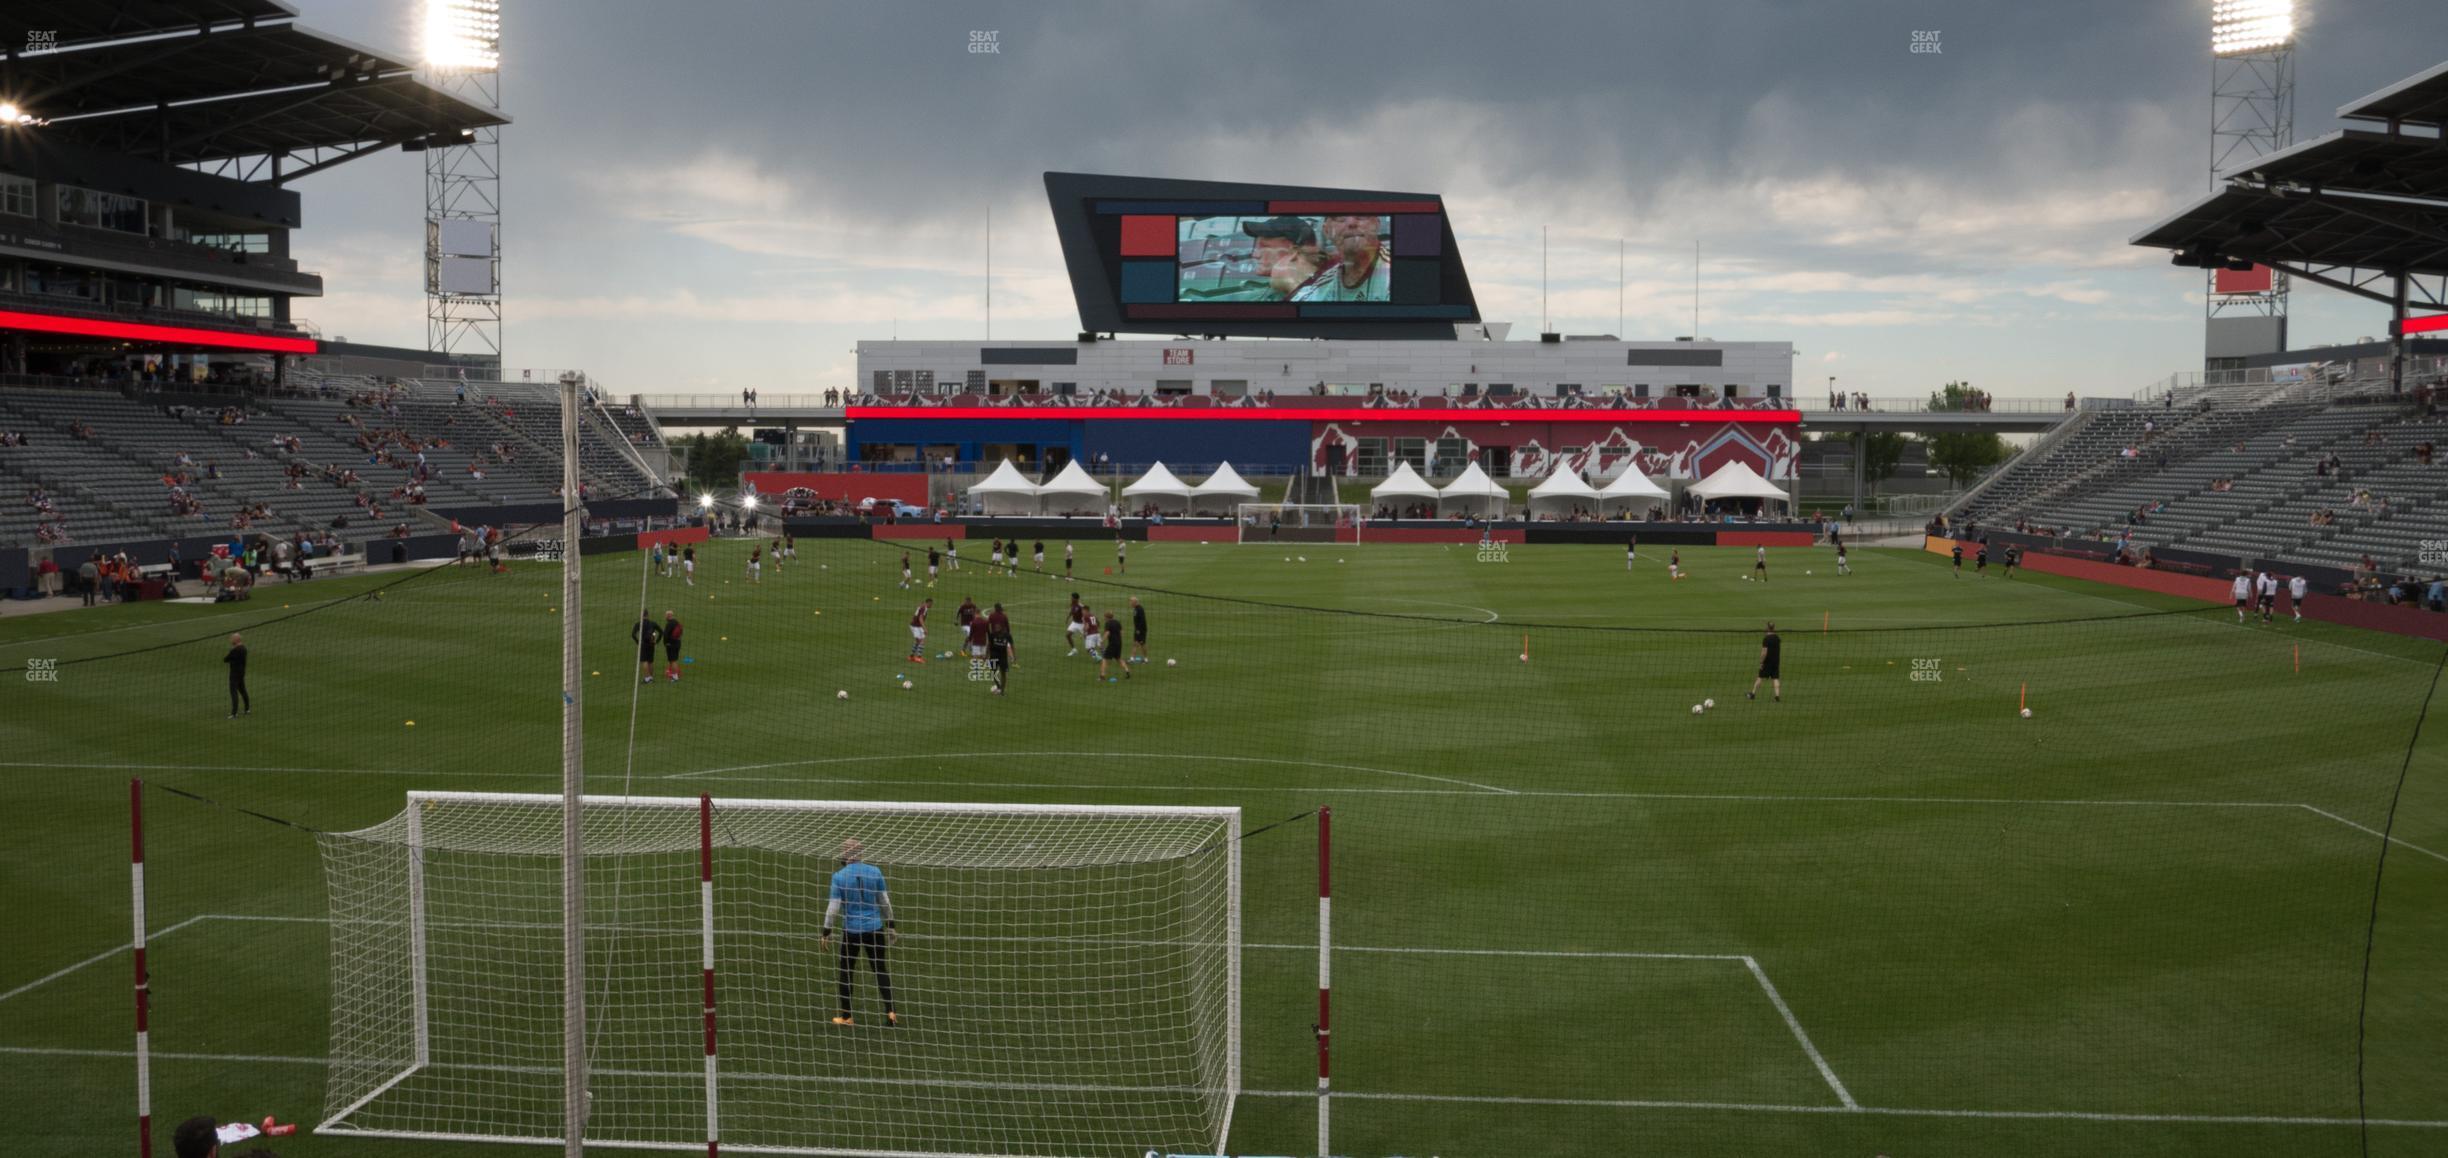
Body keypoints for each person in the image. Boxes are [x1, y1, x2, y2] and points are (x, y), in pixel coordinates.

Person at [821, 837, 898, 1027]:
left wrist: (826, 931)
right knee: (880, 968)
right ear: (861, 853)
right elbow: (884, 902)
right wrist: (891, 925)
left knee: (846, 971)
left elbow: (833, 908)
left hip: (851, 931)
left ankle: (846, 1016)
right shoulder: (875, 872)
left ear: (844, 854)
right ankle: (891, 1013)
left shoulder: (839, 876)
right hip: (875, 929)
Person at [1748, 621, 1782, 702]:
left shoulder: (1766, 639)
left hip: (1767, 661)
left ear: (1767, 628)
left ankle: (1752, 694)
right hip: (1776, 661)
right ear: (1774, 628)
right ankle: (1777, 696)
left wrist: (1761, 662)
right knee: (1775, 678)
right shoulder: (1777, 638)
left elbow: (1764, 652)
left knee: (1760, 677)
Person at [986, 601, 1015, 694]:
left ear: (995, 608)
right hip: (1003, 640)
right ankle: (1001, 690)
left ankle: (999, 686)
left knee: (993, 671)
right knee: (1003, 672)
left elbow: (988, 625)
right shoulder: (1004, 616)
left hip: (994, 643)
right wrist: (1007, 635)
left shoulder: (991, 616)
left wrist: (986, 654)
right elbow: (1008, 627)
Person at [224, 633, 250, 719]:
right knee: (243, 690)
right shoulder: (244, 648)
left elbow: (225, 659)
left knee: (233, 692)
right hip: (241, 672)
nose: (230, 640)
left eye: (232, 639)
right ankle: (247, 709)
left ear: (236, 640)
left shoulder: (235, 650)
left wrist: (231, 657)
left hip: (234, 673)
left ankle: (234, 713)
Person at [1099, 608, 1129, 681]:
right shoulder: (1117, 622)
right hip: (1119, 643)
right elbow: (1122, 632)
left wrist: (1102, 641)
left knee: (1105, 659)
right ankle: (1127, 671)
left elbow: (1107, 633)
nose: (1104, 618)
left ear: (1106, 617)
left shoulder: (1108, 623)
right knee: (1118, 658)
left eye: (1104, 617)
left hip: (1112, 644)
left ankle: (1102, 676)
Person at [633, 611, 663, 684]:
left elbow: (633, 634)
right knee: (650, 661)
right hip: (651, 644)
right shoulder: (653, 623)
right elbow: (661, 632)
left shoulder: (639, 623)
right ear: (648, 615)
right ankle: (651, 678)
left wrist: (638, 642)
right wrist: (657, 641)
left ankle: (647, 678)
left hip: (643, 644)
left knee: (644, 661)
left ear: (641, 615)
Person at [662, 611, 685, 682]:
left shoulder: (669, 624)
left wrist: (665, 643)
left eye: (665, 615)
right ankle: (674, 675)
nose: (665, 617)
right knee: (673, 660)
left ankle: (675, 677)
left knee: (673, 660)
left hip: (671, 644)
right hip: (678, 642)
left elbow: (665, 635)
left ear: (668, 616)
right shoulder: (677, 622)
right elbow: (681, 632)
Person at [908, 598, 932, 662]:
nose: (931, 605)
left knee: (919, 641)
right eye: (931, 604)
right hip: (915, 626)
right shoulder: (924, 608)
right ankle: (918, 658)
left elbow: (916, 615)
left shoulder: (922, 606)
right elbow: (920, 619)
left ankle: (911, 656)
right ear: (928, 603)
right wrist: (925, 629)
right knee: (921, 641)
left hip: (917, 625)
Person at [1129, 596, 1149, 665]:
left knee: (1142, 644)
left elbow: (1142, 620)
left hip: (1141, 630)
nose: (1130, 603)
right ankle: (1132, 659)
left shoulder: (1140, 609)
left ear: (1135, 602)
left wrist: (1138, 629)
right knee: (1135, 643)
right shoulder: (1135, 609)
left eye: (1131, 602)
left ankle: (1146, 659)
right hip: (1137, 629)